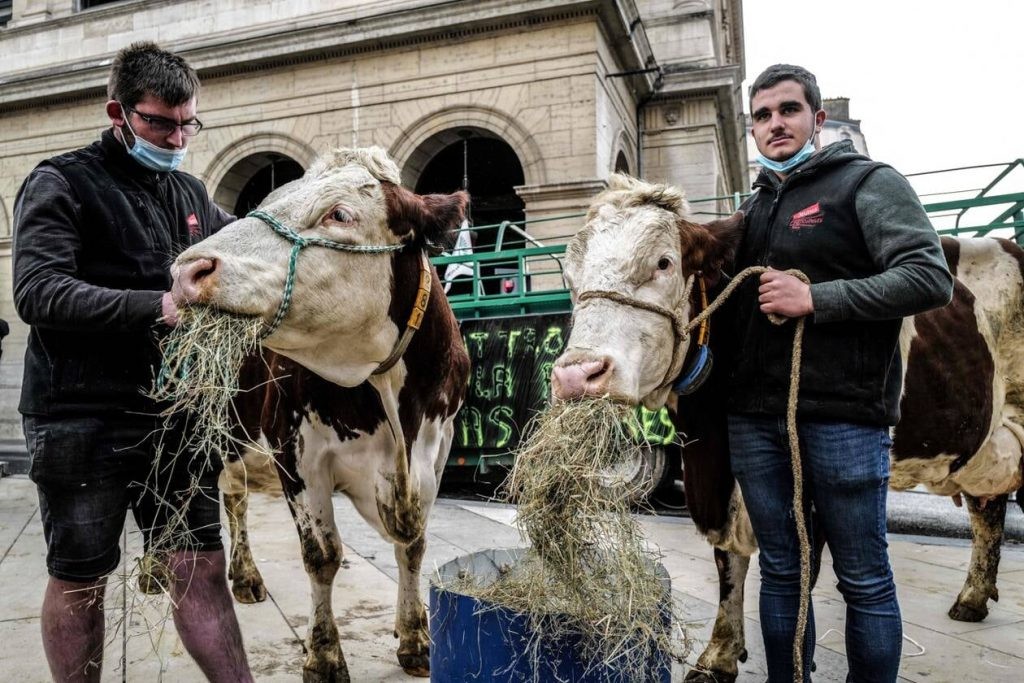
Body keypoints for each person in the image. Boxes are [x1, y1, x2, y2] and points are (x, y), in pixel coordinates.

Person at [13, 42, 252, 682]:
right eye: (159, 123)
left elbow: (249, 251)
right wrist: (157, 305)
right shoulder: (61, 181)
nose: (176, 137)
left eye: (187, 123)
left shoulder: (191, 193)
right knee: (82, 576)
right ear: (119, 112)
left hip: (174, 416)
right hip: (80, 414)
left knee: (200, 566)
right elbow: (38, 291)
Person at [727, 64, 953, 682]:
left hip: (843, 417)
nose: (776, 124)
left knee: (863, 576)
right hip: (755, 418)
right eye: (763, 116)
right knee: (782, 572)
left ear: (817, 120)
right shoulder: (754, 209)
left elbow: (929, 277)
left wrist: (816, 300)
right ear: (752, 130)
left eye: (788, 110)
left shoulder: (866, 183)